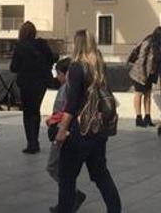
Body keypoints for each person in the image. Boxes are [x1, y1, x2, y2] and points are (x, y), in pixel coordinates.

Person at [54, 29, 121, 213]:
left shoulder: (77, 67)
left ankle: (64, 209)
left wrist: (62, 129)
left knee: (67, 177)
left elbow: (72, 104)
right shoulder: (99, 65)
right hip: (98, 129)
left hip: (80, 130)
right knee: (101, 174)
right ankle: (115, 209)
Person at [10, 21, 58, 154]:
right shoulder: (42, 44)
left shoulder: (20, 46)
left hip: (26, 83)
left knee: (27, 113)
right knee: (35, 111)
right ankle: (35, 141)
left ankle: (31, 143)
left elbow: (13, 67)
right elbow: (53, 58)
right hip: (41, 83)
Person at [46, 58, 86, 213]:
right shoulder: (73, 86)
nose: (57, 77)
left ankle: (70, 196)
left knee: (54, 167)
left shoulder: (66, 89)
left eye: (58, 74)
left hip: (62, 131)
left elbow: (63, 111)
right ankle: (69, 197)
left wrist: (55, 124)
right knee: (62, 169)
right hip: (69, 130)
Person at [129, 27, 161, 128]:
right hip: (140, 73)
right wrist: (142, 74)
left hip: (149, 73)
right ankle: (138, 117)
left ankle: (147, 117)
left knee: (148, 95)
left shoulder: (157, 44)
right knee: (138, 94)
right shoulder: (148, 42)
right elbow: (142, 57)